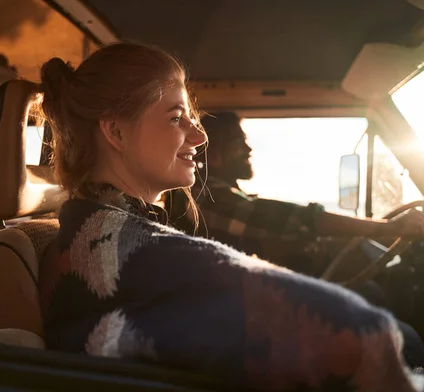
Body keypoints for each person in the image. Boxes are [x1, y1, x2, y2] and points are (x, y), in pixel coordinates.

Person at [35, 42, 424, 391]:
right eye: (175, 117)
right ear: (116, 132)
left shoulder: (91, 231)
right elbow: (355, 335)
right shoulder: (120, 249)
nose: (199, 135)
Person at [188, 110, 424, 367]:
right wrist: (387, 227)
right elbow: (294, 218)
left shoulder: (223, 196)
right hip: (241, 317)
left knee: (369, 293)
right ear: (213, 154)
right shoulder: (210, 199)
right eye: (237, 142)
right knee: (405, 339)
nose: (248, 148)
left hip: (248, 306)